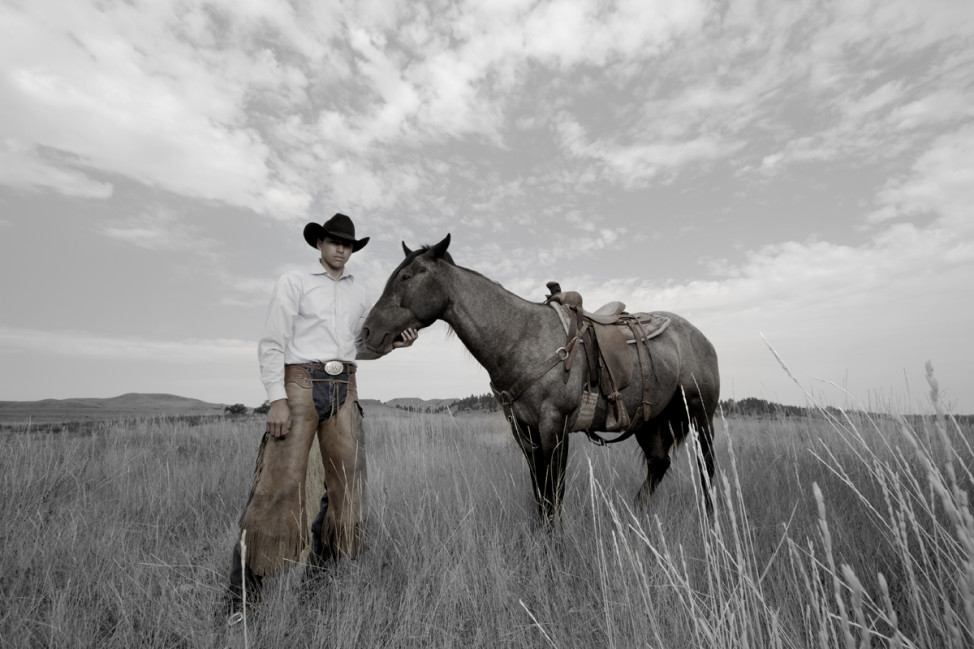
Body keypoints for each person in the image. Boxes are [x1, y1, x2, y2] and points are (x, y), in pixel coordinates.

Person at [226, 213, 418, 614]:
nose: (341, 248)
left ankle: (318, 585)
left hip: (345, 386)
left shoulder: (362, 293)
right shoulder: (294, 283)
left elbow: (358, 347)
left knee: (347, 489)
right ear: (319, 244)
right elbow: (272, 342)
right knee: (278, 484)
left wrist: (392, 346)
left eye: (347, 244)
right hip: (299, 386)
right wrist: (276, 397)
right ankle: (241, 601)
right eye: (334, 241)